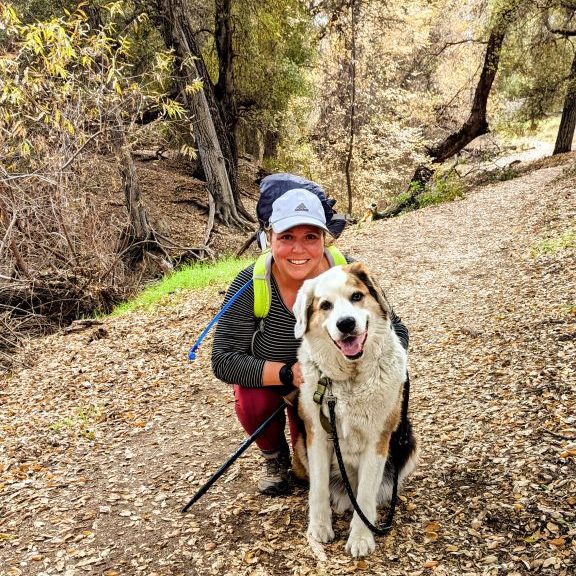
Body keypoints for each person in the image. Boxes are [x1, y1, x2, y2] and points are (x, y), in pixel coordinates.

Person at [211, 186, 408, 495]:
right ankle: (275, 459)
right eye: (287, 237)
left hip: (341, 382)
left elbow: (397, 330)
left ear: (325, 239)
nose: (298, 250)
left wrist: (377, 370)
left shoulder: (349, 274)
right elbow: (223, 359)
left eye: (311, 237)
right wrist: (289, 373)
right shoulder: (251, 285)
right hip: (284, 384)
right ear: (269, 238)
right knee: (253, 400)